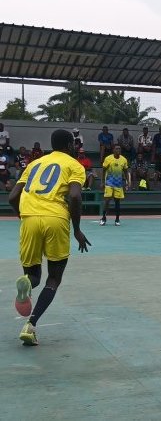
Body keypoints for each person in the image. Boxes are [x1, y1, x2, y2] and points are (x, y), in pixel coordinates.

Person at [8, 129, 91, 346]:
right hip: (56, 218)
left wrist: (24, 217)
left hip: (29, 218)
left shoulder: (34, 164)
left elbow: (13, 196)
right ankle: (31, 325)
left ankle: (27, 283)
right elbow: (75, 196)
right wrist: (77, 229)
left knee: (33, 274)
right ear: (70, 145)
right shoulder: (74, 165)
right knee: (53, 278)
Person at [100, 145, 129, 226]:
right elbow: (103, 171)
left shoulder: (124, 160)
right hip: (109, 182)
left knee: (117, 202)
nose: (118, 150)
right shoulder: (108, 158)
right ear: (113, 150)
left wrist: (127, 182)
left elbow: (126, 171)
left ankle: (117, 219)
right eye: (116, 149)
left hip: (118, 184)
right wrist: (102, 182)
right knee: (107, 200)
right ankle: (103, 218)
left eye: (119, 149)